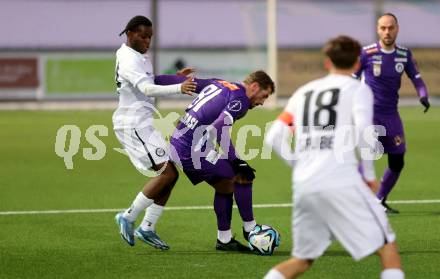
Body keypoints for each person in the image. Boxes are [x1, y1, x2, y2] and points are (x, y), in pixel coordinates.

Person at [263, 36, 404, 279]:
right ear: (358, 62)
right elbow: (364, 132)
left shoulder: (303, 92)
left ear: (327, 62)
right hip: (341, 181)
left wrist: (299, 165)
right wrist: (369, 176)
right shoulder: (359, 89)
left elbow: (274, 137)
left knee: (302, 260)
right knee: (387, 247)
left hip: (305, 185)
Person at [113, 15, 197, 250]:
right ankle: (128, 217)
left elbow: (153, 79)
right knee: (167, 174)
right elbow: (147, 87)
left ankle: (147, 227)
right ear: (129, 33)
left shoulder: (138, 56)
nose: (147, 40)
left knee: (171, 174)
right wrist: (179, 88)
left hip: (143, 122)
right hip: (132, 124)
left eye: (150, 37)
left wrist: (175, 78)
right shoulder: (128, 58)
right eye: (143, 36)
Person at [170, 71, 275, 251]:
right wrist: (236, 160)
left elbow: (184, 82)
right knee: (242, 175)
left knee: (225, 185)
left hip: (182, 143)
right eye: (264, 96)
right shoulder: (241, 100)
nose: (262, 102)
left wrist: (153, 78)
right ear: (255, 87)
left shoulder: (221, 84)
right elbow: (219, 128)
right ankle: (251, 229)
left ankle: (224, 240)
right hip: (191, 150)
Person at [353, 13, 430, 213]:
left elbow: (417, 79)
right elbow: (351, 79)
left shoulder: (404, 54)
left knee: (397, 161)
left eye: (391, 28)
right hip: (369, 115)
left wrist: (423, 95)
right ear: (378, 30)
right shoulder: (366, 53)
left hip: (391, 115)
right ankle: (354, 200)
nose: (387, 32)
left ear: (397, 28)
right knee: (369, 157)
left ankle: (379, 201)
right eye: (383, 28)